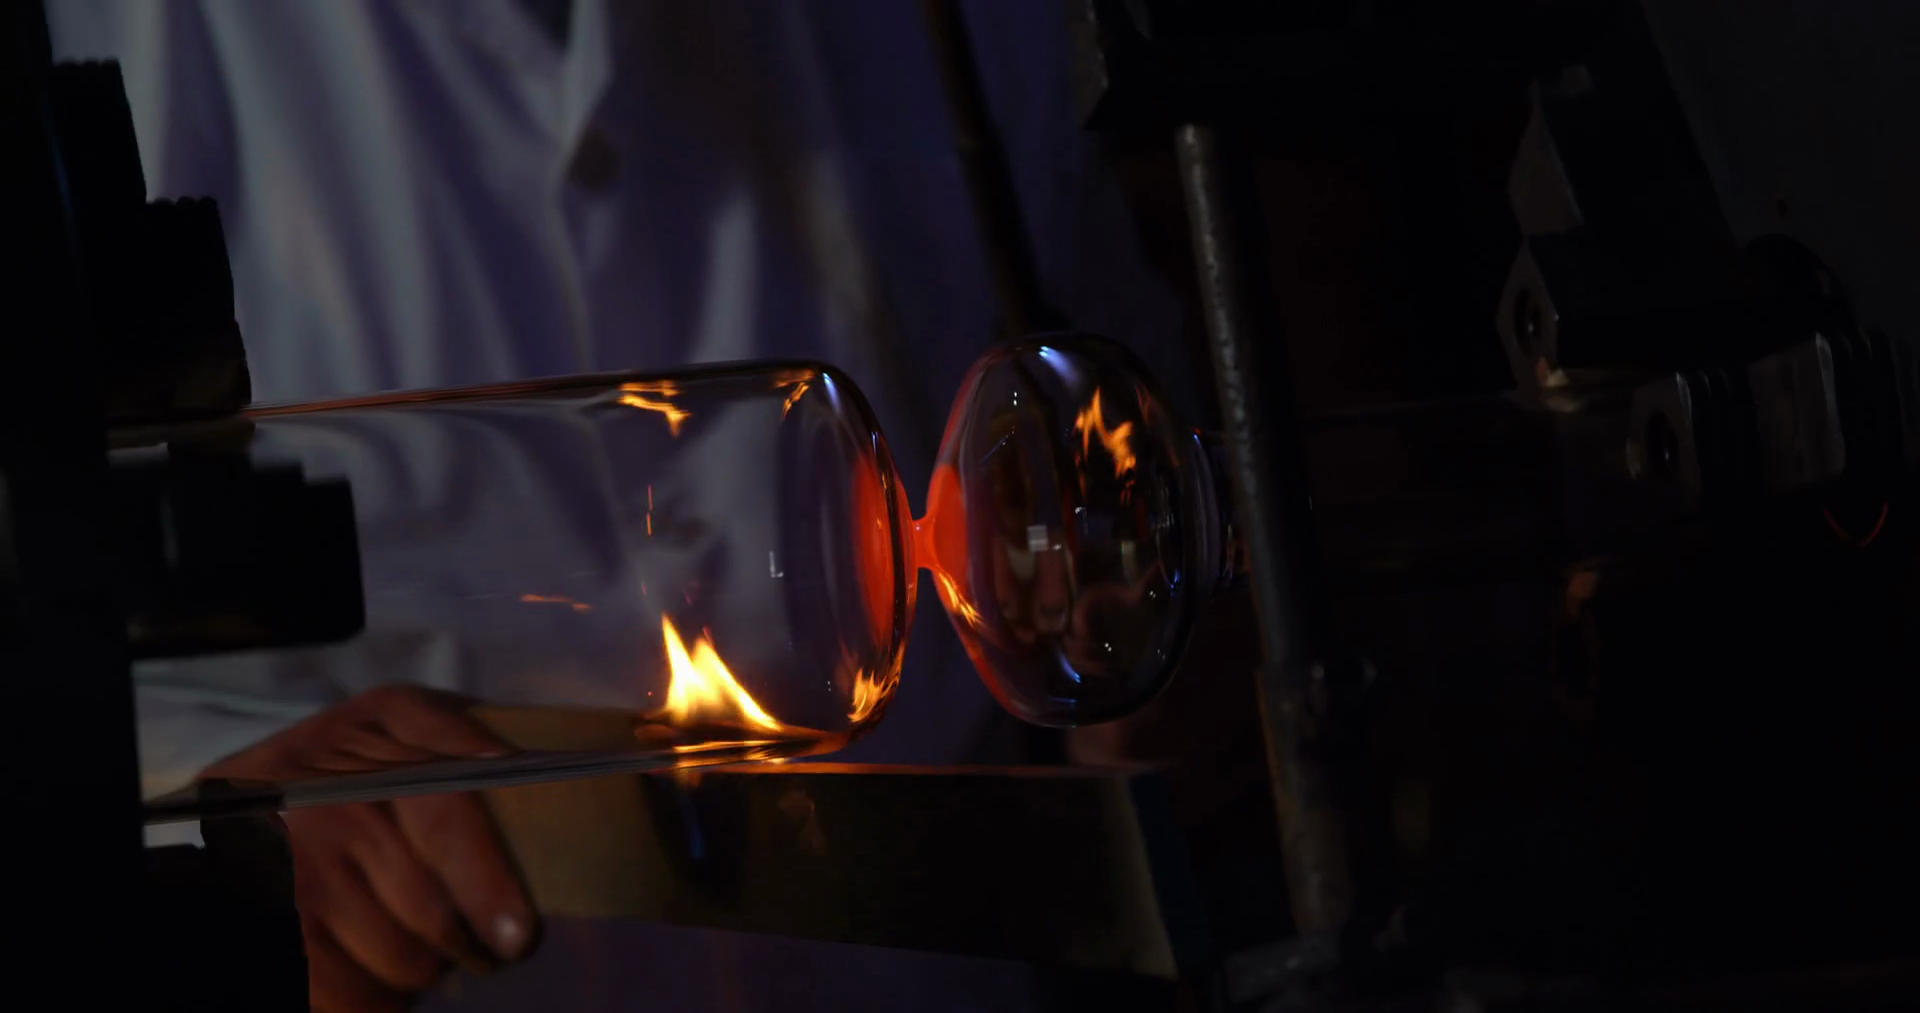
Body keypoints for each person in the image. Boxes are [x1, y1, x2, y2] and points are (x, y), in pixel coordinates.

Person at [51, 2, 1194, 1010]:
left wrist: (1151, 639)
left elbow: (1124, 426)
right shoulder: (98, 46)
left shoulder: (967, 32)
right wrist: (204, 820)